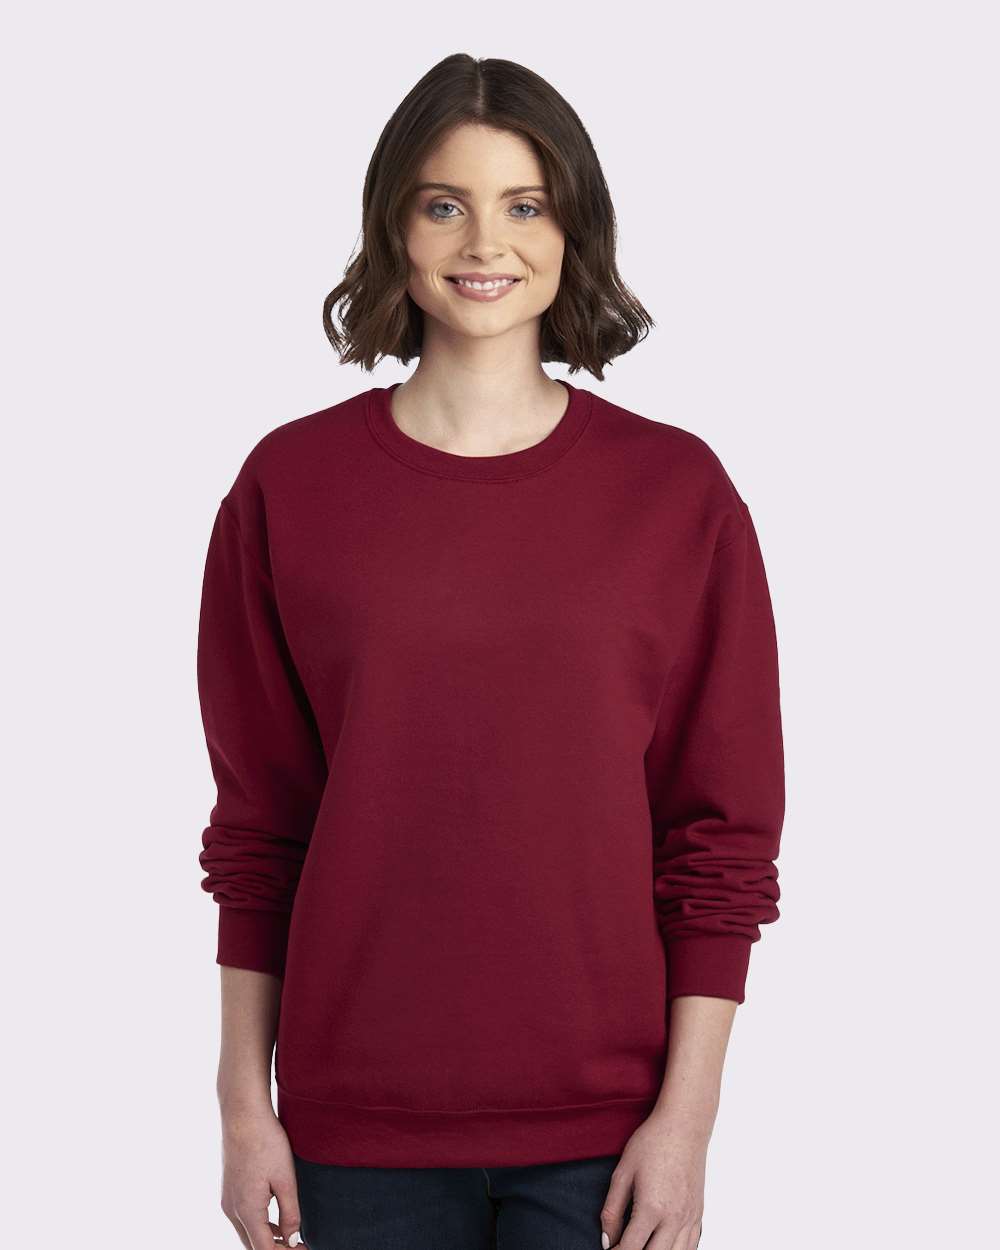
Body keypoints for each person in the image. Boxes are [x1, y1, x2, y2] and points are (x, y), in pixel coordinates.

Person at [196, 53, 785, 1250]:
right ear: (394, 226)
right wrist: (242, 1106)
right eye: (443, 203)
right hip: (354, 1129)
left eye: (525, 204)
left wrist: (687, 1122)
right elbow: (260, 827)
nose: (485, 242)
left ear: (573, 229)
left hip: (608, 1134)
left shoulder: (676, 493)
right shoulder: (289, 486)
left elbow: (719, 836)